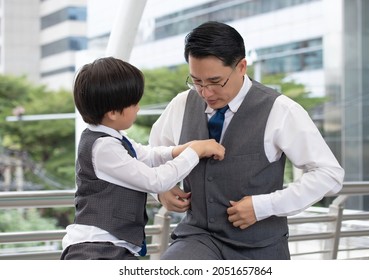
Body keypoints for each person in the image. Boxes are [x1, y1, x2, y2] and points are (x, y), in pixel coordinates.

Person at [149, 21, 345, 260]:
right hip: (199, 238)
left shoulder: (281, 110)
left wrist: (265, 206)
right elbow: (152, 155)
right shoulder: (181, 104)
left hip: (261, 248)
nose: (206, 93)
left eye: (215, 81)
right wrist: (161, 190)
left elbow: (329, 174)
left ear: (241, 66)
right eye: (197, 82)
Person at [60, 57, 225, 260]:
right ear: (112, 112)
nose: (138, 108)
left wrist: (182, 149)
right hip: (97, 249)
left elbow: (148, 154)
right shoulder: (103, 147)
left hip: (109, 247)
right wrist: (195, 152)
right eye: (133, 103)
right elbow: (155, 180)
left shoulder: (111, 137)